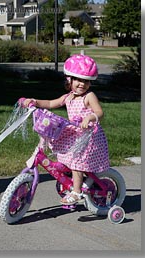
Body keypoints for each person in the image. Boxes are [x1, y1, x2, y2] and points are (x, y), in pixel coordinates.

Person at [23, 54, 110, 205]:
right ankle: (72, 179)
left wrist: (90, 118)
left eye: (86, 81)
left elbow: (99, 112)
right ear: (69, 80)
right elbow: (50, 103)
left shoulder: (89, 96)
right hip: (75, 134)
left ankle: (76, 192)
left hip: (88, 136)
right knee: (64, 154)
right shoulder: (68, 97)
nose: (82, 84)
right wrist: (35, 101)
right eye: (78, 80)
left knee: (76, 162)